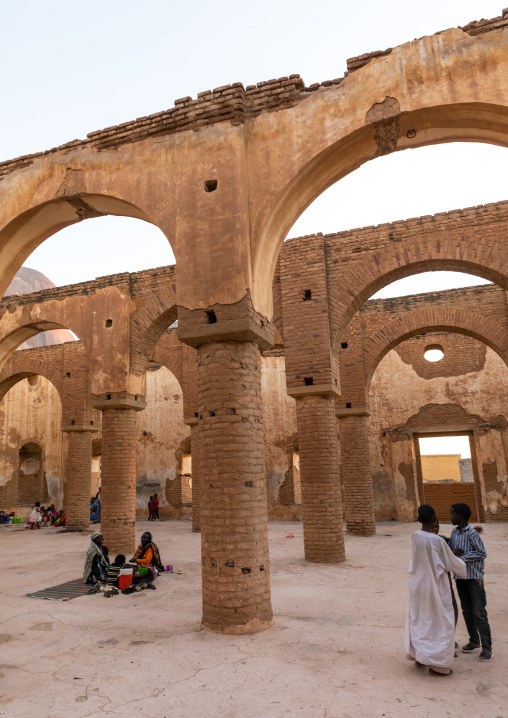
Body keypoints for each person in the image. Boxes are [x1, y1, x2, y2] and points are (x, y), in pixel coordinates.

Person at [406, 504, 467, 676]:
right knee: (441, 621)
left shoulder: (415, 536)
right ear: (434, 519)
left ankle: (420, 656)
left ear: (418, 519)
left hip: (419, 585)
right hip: (436, 587)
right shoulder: (437, 541)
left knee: (421, 620)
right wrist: (465, 562)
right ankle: (438, 665)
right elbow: (450, 563)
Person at [449, 503, 493, 662]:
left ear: (459, 516)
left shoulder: (471, 533)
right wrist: (452, 552)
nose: (450, 517)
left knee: (479, 612)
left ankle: (487, 648)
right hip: (460, 578)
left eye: (452, 514)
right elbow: (450, 549)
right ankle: (474, 641)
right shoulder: (454, 533)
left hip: (474, 578)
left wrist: (462, 557)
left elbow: (482, 553)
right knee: (466, 610)